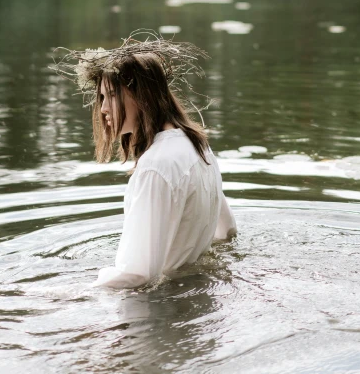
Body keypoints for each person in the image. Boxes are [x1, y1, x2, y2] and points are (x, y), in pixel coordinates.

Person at [53, 33, 237, 290]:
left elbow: (137, 275)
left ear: (139, 96)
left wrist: (68, 296)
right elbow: (227, 232)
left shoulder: (156, 166)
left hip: (157, 312)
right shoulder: (197, 144)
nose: (103, 108)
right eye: (102, 98)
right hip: (199, 299)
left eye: (111, 96)